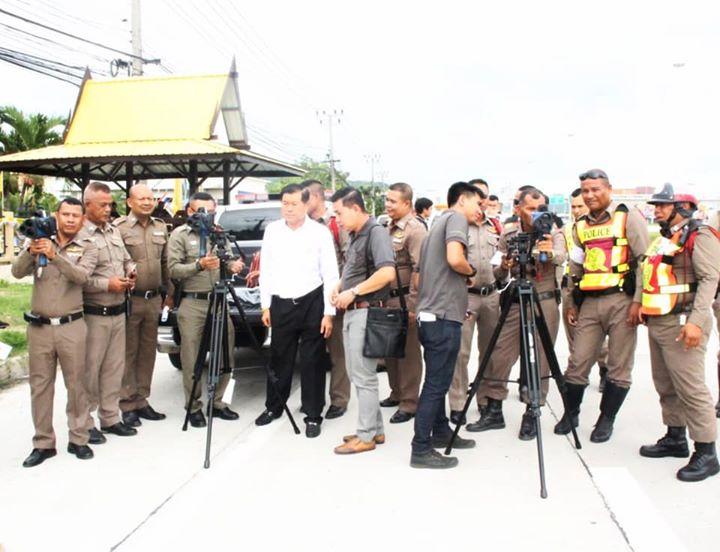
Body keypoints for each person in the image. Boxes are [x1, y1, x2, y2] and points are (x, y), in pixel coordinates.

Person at [555, 169, 650, 443]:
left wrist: (638, 301)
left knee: (619, 364)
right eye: (585, 190)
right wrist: (571, 302)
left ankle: (606, 419)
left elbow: (644, 261)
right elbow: (575, 267)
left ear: (609, 189)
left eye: (595, 189)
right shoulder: (580, 226)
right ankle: (571, 413)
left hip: (622, 300)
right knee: (578, 360)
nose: (590, 195)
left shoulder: (628, 216)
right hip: (589, 302)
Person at [467, 188, 566, 439]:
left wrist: (547, 250)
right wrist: (505, 265)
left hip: (543, 299)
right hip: (515, 298)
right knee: (499, 354)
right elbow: (498, 273)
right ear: (519, 209)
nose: (536, 214)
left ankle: (533, 411)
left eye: (541, 209)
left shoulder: (553, 231)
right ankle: (494, 409)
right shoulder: (509, 233)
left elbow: (560, 257)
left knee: (540, 357)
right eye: (531, 209)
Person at [637, 184, 720, 482]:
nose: (656, 209)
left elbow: (710, 279)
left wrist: (696, 321)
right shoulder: (664, 238)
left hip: (683, 321)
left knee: (691, 388)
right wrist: (640, 304)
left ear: (682, 208)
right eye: (656, 205)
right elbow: (649, 272)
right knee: (666, 384)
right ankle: (675, 437)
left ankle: (706, 452)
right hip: (660, 319)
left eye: (663, 205)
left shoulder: (700, 235)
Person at [12, 198, 98, 467]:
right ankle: (43, 443)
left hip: (72, 327)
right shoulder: (38, 241)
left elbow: (82, 277)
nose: (70, 219)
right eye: (66, 214)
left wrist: (55, 256)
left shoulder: (89, 246)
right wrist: (31, 250)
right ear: (57, 216)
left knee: (77, 385)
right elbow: (16, 272)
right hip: (40, 328)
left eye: (75, 215)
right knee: (40, 387)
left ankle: (78, 438)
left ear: (82, 219)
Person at [254, 184, 339, 438]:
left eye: (294, 204)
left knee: (313, 360)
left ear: (305, 204)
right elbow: (266, 270)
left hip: (312, 300)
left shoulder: (319, 232)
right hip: (281, 302)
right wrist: (265, 304)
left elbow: (330, 273)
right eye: (285, 203)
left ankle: (313, 414)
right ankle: (274, 407)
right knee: (279, 357)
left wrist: (329, 312)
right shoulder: (273, 231)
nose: (288, 208)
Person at [410, 182, 483, 469]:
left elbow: (421, 277)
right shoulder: (456, 219)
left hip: (432, 315)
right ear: (462, 200)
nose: (480, 210)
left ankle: (440, 432)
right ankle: (420, 449)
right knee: (435, 385)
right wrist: (470, 271)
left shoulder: (435, 225)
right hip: (441, 318)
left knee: (436, 381)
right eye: (477, 203)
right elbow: (455, 258)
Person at [168, 192, 244, 428]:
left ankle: (218, 403)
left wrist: (233, 266)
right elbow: (172, 270)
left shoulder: (218, 233)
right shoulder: (180, 235)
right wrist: (198, 265)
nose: (206, 216)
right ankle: (193, 406)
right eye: (201, 211)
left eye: (210, 212)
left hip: (219, 300)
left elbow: (227, 261)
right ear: (190, 211)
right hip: (193, 302)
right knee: (192, 357)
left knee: (225, 353)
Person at [330, 187, 396, 455]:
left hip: (365, 311)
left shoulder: (376, 232)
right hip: (354, 310)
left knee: (364, 376)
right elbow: (355, 270)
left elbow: (387, 272)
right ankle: (375, 430)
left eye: (339, 213)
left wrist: (353, 291)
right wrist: (340, 285)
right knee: (358, 374)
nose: (337, 220)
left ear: (356, 208)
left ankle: (366, 435)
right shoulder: (356, 235)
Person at [80, 182, 138, 444]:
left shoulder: (113, 230)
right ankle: (85, 422)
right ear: (87, 205)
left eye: (110, 204)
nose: (108, 209)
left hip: (118, 311)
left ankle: (110, 417)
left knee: (114, 369)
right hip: (93, 313)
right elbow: (77, 278)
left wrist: (131, 272)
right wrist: (107, 284)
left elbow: (126, 259)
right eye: (102, 205)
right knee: (90, 371)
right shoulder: (79, 234)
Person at [113, 184, 170, 427]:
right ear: (129, 202)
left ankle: (142, 400)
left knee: (147, 352)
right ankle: (127, 403)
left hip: (154, 299)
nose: (147, 202)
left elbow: (165, 262)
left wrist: (170, 293)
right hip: (130, 299)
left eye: (150, 198)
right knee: (128, 351)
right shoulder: (119, 228)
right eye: (142, 199)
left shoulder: (160, 227)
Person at [448, 180, 501, 425]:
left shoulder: (496, 227)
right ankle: (458, 403)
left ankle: (485, 398)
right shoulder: (457, 225)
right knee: (460, 352)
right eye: (478, 198)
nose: (483, 203)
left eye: (486, 198)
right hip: (465, 296)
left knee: (490, 351)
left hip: (491, 296)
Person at [302, 179, 351, 419]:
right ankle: (313, 399)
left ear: (315, 197)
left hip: (333, 294)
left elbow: (349, 259)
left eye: (304, 198)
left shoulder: (335, 222)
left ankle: (339, 399)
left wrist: (341, 292)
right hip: (307, 297)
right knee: (311, 351)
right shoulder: (302, 225)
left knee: (337, 351)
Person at [380, 182, 427, 423]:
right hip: (387, 299)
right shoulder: (387, 227)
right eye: (387, 200)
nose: (387, 204)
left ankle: (410, 402)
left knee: (408, 354)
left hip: (406, 299)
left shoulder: (415, 230)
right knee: (390, 351)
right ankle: (396, 393)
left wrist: (414, 305)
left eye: (393, 201)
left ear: (407, 203)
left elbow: (421, 269)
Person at [562, 188, 609, 392]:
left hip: (592, 285)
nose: (576, 210)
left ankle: (605, 369)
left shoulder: (599, 227)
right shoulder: (568, 229)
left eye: (580, 206)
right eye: (573, 206)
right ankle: (577, 371)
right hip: (570, 284)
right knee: (573, 331)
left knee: (596, 336)